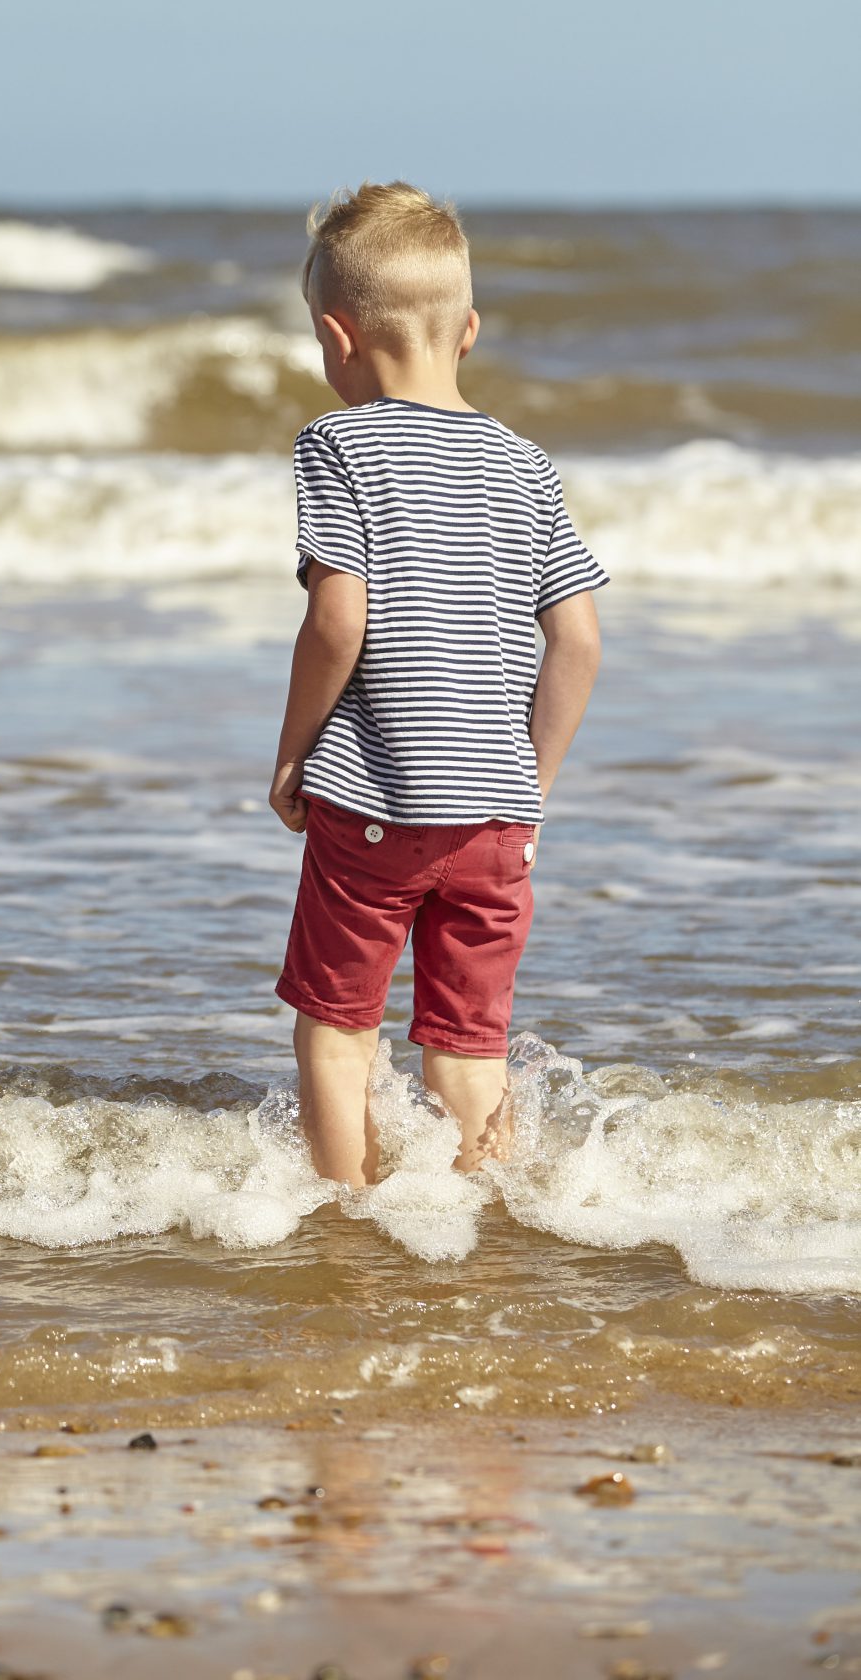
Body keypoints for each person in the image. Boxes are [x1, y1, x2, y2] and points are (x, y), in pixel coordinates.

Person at [267, 183, 606, 1186]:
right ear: (467, 331)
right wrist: (527, 785)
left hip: (376, 801)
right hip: (496, 818)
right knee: (467, 1039)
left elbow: (339, 618)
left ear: (337, 337)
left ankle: (350, 1224)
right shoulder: (525, 463)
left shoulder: (340, 445)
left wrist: (293, 752)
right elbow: (579, 639)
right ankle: (476, 1218)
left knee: (337, 1029)